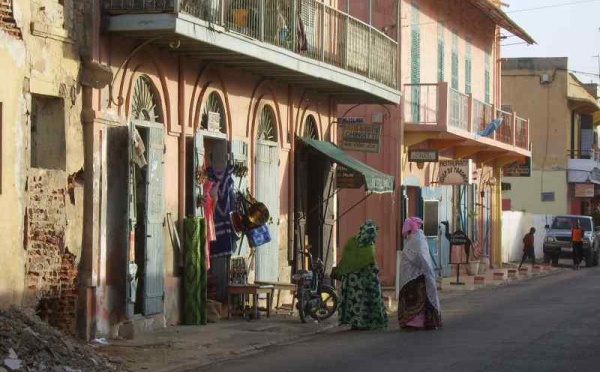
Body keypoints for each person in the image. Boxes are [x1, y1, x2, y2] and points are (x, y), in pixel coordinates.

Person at [333, 220, 388, 330]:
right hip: (355, 279)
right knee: (356, 301)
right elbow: (347, 258)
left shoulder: (369, 243)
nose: (373, 236)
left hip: (364, 278)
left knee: (363, 301)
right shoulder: (353, 242)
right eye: (371, 233)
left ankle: (366, 323)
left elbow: (368, 260)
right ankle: (357, 323)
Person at [398, 217, 442, 331]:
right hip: (416, 274)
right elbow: (421, 257)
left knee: (416, 298)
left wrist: (426, 270)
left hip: (415, 275)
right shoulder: (417, 238)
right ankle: (419, 322)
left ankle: (414, 322)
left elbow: (420, 257)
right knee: (419, 297)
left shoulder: (416, 239)